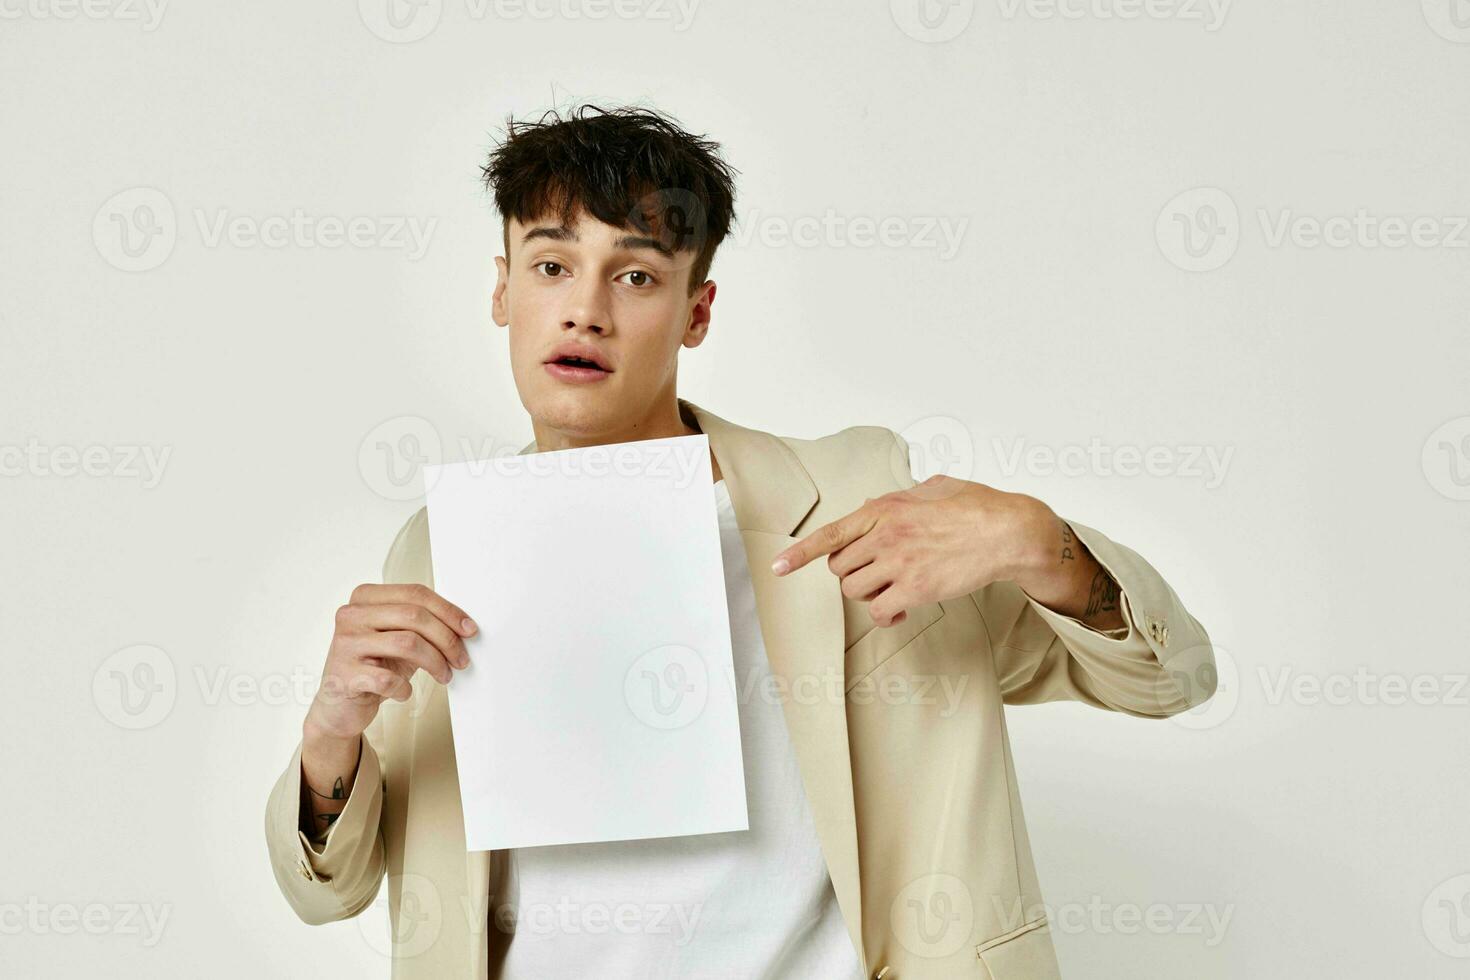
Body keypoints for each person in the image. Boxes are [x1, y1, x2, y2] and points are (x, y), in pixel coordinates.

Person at [264, 104, 1217, 980]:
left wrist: (1035, 540)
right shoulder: (439, 548)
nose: (586, 309)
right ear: (504, 291)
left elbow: (1170, 678)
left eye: (635, 275)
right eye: (552, 265)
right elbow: (332, 890)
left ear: (697, 312)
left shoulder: (854, 503)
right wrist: (330, 732)